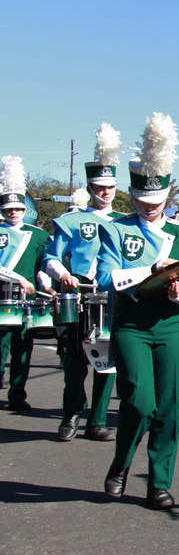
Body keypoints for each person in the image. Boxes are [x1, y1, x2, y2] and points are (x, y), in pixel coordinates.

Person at [98, 113, 179, 510]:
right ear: (132, 194)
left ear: (168, 197)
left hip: (171, 325)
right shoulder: (116, 228)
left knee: (169, 407)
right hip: (131, 325)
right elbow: (107, 275)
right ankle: (121, 464)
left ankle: (158, 482)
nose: (149, 206)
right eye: (142, 200)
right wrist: (150, 271)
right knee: (139, 402)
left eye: (156, 201)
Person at [43, 123, 125, 439]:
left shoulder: (126, 223)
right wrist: (62, 274)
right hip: (78, 294)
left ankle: (98, 420)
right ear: (90, 188)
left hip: (111, 297)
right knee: (75, 361)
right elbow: (50, 257)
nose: (105, 192)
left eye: (110, 186)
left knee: (108, 359)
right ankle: (71, 415)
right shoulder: (70, 221)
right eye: (99, 187)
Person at [0, 156, 52, 412]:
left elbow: (41, 266)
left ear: (24, 209)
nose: (13, 212)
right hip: (1, 296)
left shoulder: (39, 235)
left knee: (23, 348)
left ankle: (17, 394)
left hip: (27, 299)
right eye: (8, 209)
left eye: (17, 209)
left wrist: (48, 285)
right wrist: (17, 278)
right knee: (0, 346)